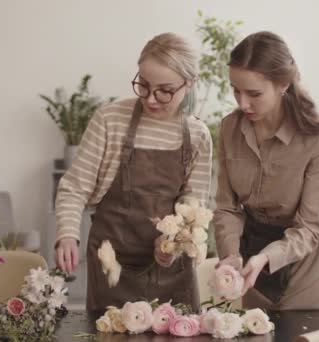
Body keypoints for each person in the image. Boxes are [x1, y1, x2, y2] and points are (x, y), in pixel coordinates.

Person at [54, 32, 212, 311]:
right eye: (144, 85)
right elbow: (74, 187)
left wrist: (173, 244)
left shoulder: (197, 135)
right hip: (111, 264)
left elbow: (193, 205)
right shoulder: (110, 119)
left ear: (189, 84)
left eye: (164, 90)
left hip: (170, 271)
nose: (150, 99)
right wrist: (67, 234)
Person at [213, 31, 319, 310]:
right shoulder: (229, 129)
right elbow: (227, 207)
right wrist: (232, 256)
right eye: (235, 90)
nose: (242, 103)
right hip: (250, 257)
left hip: (305, 264)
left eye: (254, 93)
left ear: (283, 84)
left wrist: (265, 258)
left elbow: (308, 227)